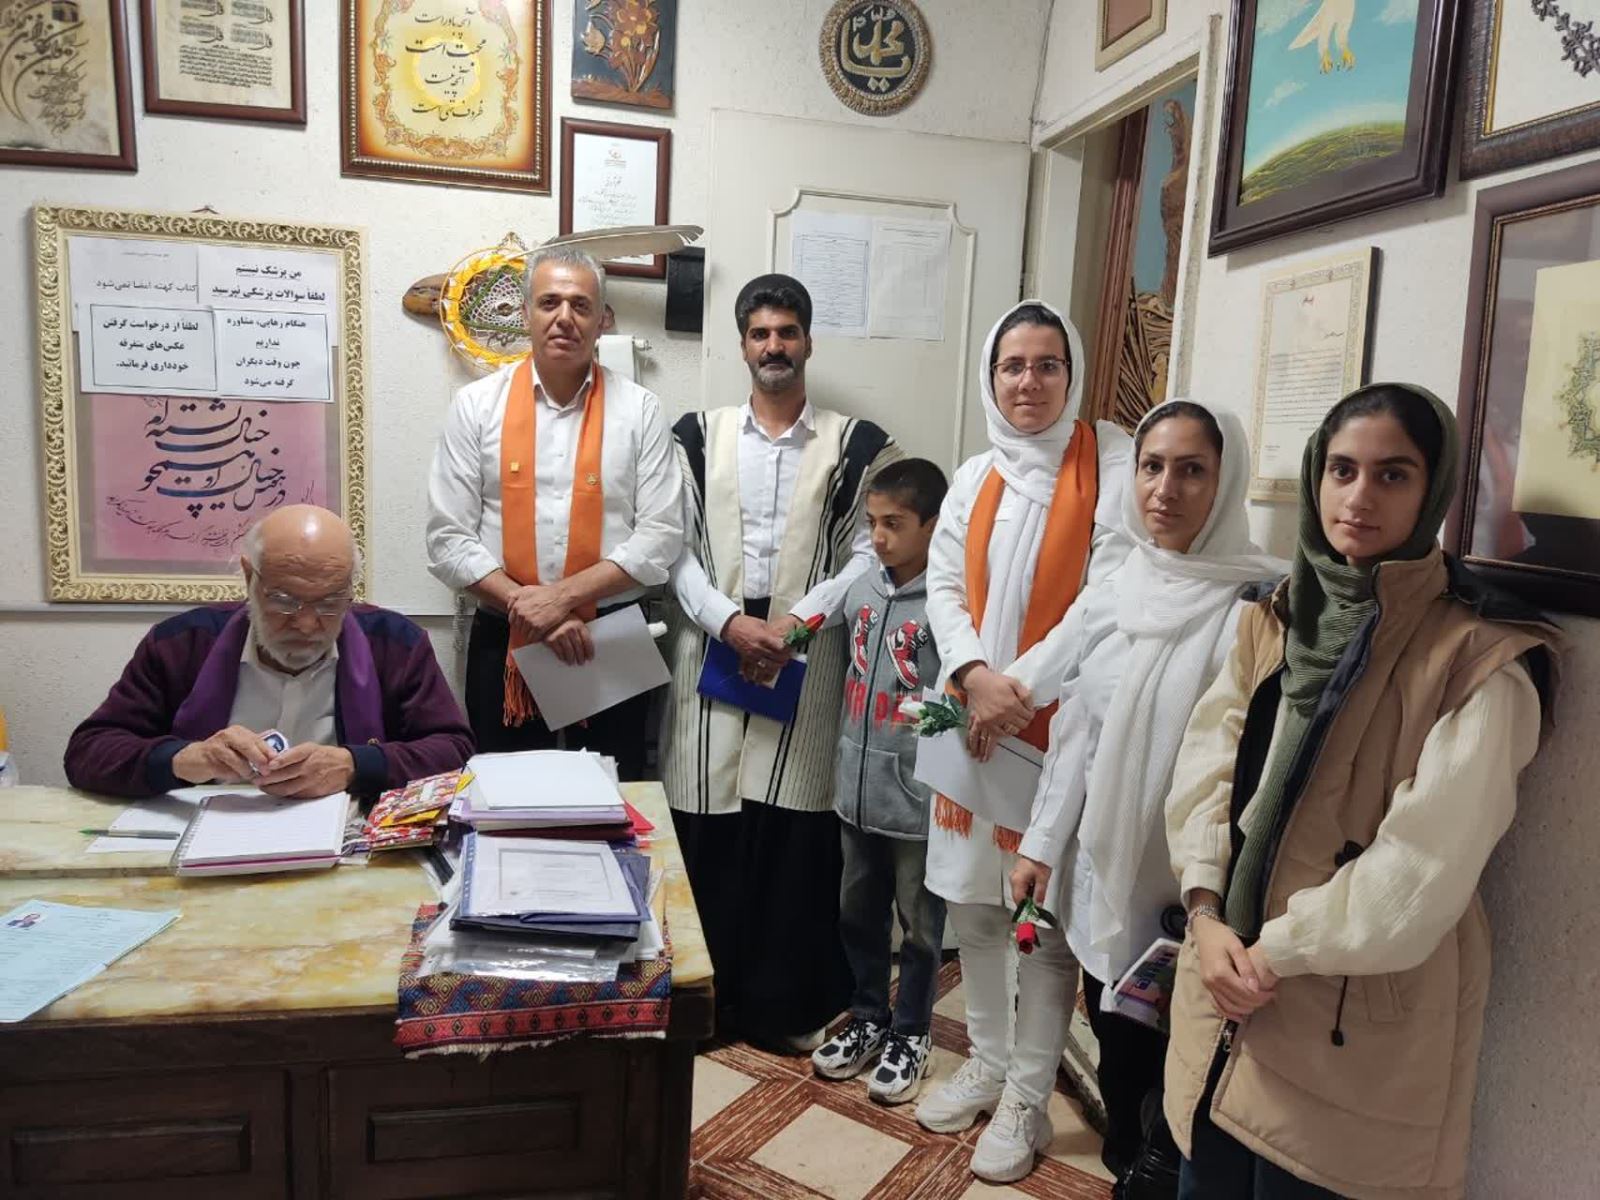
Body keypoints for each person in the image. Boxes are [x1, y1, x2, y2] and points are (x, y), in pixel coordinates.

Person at [1163, 384, 1561, 1200]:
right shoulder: (1279, 614)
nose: (1358, 497)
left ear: (1433, 488)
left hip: (1345, 1020)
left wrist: (1269, 956)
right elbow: (1209, 763)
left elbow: (1420, 871)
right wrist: (1204, 912)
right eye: (1342, 470)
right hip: (1222, 987)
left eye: (1392, 475)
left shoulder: (1480, 658)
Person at [1007, 400, 1285, 1187]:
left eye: (1192, 470)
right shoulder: (1115, 589)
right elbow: (1077, 733)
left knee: (1192, 1078)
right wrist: (1039, 844)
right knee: (1121, 1051)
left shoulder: (1262, 605)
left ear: (1226, 482)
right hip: (1108, 877)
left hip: (1200, 896)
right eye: (1152, 467)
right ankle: (1127, 1160)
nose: (1165, 489)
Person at [916, 299, 1135, 1185]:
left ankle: (1028, 1098)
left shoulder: (1110, 462)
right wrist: (974, 674)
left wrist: (1021, 690)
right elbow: (942, 585)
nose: (1030, 382)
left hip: (1056, 730)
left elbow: (1106, 591)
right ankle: (989, 1060)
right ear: (991, 375)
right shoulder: (976, 474)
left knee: (1038, 923)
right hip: (971, 725)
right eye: (1013, 365)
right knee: (972, 907)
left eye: (1049, 364)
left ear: (1072, 374)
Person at [661, 273, 903, 1051]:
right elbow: (672, 549)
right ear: (742, 345)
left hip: (809, 649)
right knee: (708, 823)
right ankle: (702, 1008)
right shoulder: (696, 435)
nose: (774, 346)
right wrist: (728, 621)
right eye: (760, 333)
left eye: (787, 332)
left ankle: (782, 1009)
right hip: (714, 642)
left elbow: (872, 550)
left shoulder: (858, 444)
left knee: (792, 830)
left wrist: (800, 623)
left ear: (808, 342)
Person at [425, 245, 683, 780]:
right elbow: (448, 539)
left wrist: (560, 600)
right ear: (525, 314)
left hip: (612, 637)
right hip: (505, 634)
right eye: (549, 302)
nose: (564, 317)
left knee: (615, 795)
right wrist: (530, 608)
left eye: (580, 305)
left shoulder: (640, 410)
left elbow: (660, 537)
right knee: (508, 798)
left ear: (603, 319)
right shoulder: (476, 406)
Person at [65, 505, 474, 799]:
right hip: (203, 840)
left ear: (351, 589)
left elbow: (455, 752)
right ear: (249, 577)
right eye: (284, 600)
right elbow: (89, 752)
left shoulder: (396, 644)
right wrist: (186, 758)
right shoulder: (182, 643)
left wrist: (355, 765)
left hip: (343, 848)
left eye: (330, 602)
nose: (307, 624)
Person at [812, 458, 950, 1105]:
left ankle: (912, 1030)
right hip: (856, 789)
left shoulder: (950, 603)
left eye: (894, 523)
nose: (878, 536)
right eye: (872, 522)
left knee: (920, 926)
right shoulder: (861, 586)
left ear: (932, 525)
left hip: (917, 799)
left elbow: (958, 700)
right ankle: (868, 1014)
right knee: (857, 912)